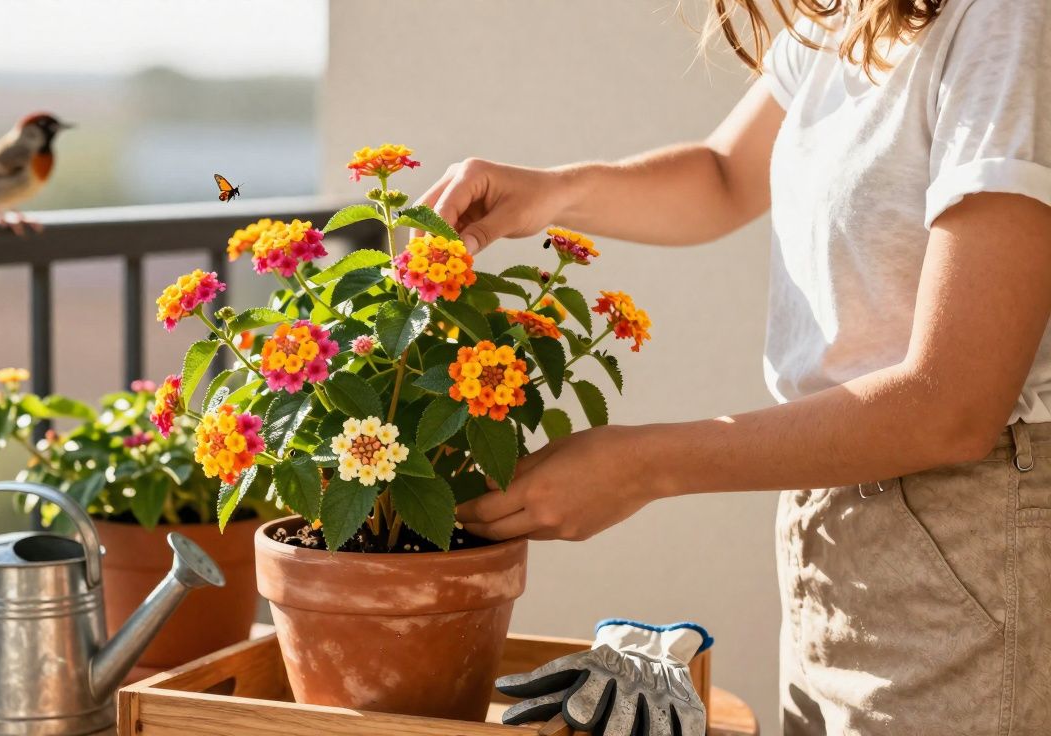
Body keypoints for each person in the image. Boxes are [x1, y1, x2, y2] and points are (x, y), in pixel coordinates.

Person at [425, 0, 1051, 733]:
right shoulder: (850, 16)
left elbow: (952, 408)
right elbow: (725, 175)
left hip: (963, 538)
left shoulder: (1007, 24)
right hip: (834, 526)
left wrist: (642, 466)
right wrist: (552, 191)